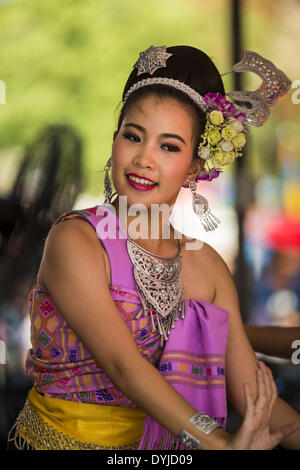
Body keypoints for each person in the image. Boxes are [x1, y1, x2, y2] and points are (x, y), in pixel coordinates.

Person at [7, 45, 300, 450]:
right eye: (133, 136)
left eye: (169, 146)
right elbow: (125, 368)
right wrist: (219, 444)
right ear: (114, 142)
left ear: (194, 167)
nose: (144, 159)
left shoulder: (209, 269)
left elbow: (248, 386)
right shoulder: (76, 240)